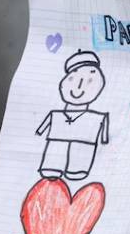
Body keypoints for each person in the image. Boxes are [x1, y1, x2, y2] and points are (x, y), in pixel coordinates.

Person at [36, 50, 109, 181]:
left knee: (81, 150)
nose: (79, 86)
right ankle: (52, 166)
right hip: (58, 135)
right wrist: (39, 132)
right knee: (56, 147)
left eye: (89, 81)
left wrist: (104, 140)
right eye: (72, 78)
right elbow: (41, 128)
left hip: (85, 140)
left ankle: (77, 169)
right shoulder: (55, 115)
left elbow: (104, 131)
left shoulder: (97, 118)